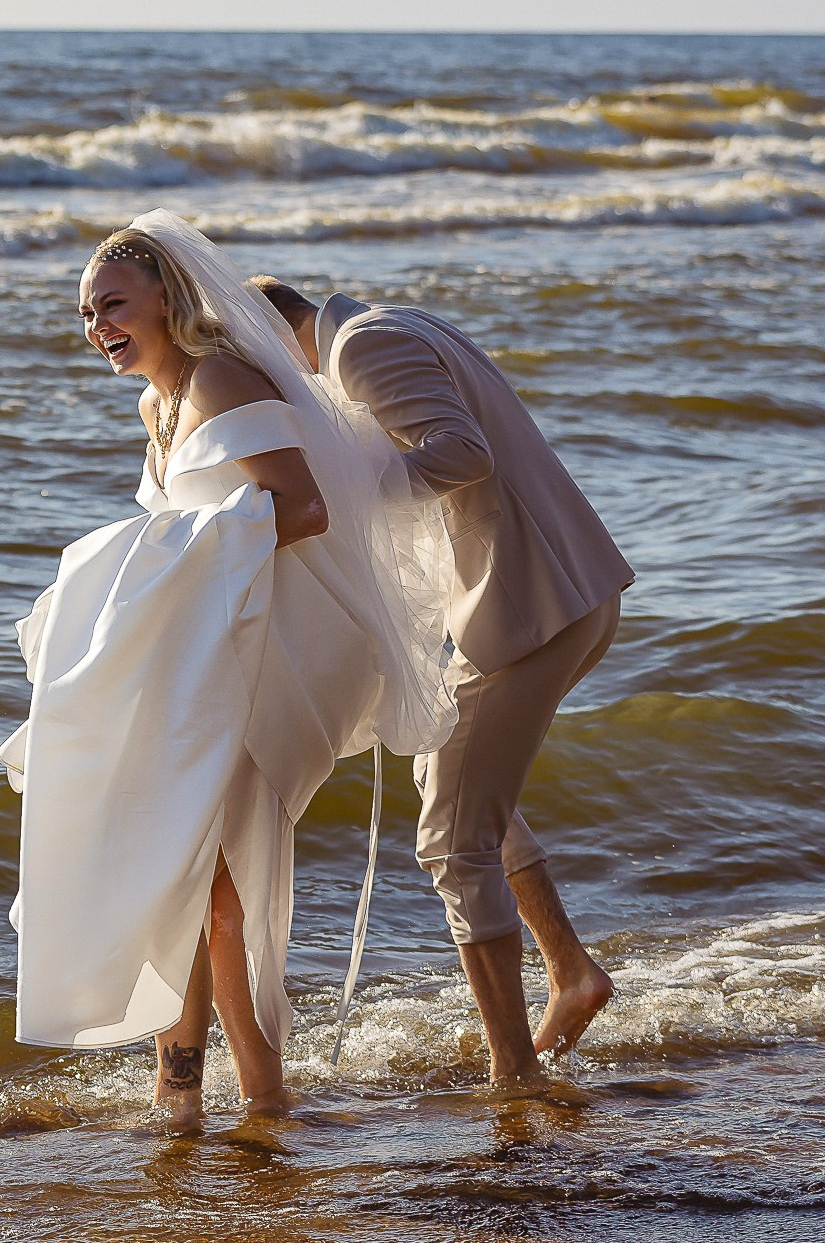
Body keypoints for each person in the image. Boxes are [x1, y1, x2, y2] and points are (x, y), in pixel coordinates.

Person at [0, 214, 455, 1132]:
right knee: (188, 874)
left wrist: (155, 558)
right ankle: (186, 1088)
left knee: (217, 886)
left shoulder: (219, 379)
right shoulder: (157, 404)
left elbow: (304, 506)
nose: (98, 329)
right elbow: (203, 518)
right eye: (86, 315)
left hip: (275, 652)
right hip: (211, 651)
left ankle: (256, 1097)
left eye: (114, 306)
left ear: (167, 296)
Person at [255, 273, 633, 1088]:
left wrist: (343, 497)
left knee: (452, 841)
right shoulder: (391, 322)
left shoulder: (363, 346)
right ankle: (572, 974)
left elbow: (463, 453)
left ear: (276, 337)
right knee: (445, 771)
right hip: (553, 592)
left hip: (534, 601)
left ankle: (515, 1072)